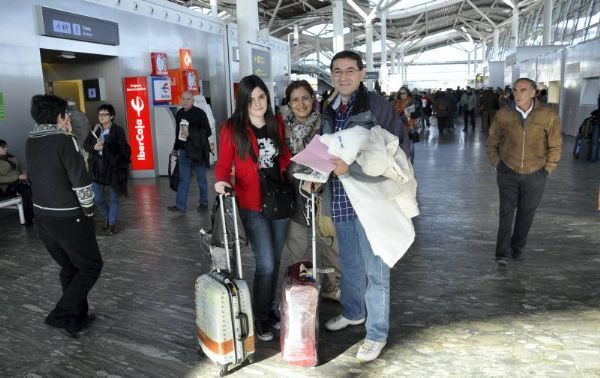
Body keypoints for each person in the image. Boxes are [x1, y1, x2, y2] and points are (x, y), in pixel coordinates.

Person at [317, 50, 404, 362]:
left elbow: (397, 149)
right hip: (341, 198)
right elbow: (327, 150)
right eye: (337, 71)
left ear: (362, 73)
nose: (343, 77)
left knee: (376, 270)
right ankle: (354, 312)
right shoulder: (328, 106)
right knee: (350, 263)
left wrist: (351, 170)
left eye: (349, 70)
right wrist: (315, 172)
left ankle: (377, 333)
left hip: (370, 200)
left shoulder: (376, 105)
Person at [214, 75, 292, 342]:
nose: (258, 103)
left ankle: (269, 311)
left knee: (277, 260)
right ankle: (259, 316)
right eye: (252, 99)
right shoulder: (232, 128)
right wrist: (221, 181)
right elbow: (223, 164)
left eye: (262, 97)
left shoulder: (276, 122)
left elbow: (283, 156)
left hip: (279, 199)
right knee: (266, 263)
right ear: (243, 101)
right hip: (251, 203)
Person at [26, 94, 103, 338]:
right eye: (65, 114)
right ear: (59, 117)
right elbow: (80, 181)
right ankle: (62, 313)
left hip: (42, 216)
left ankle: (75, 319)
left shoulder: (31, 140)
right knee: (91, 266)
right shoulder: (64, 140)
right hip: (69, 217)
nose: (68, 117)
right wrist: (89, 210)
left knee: (70, 266)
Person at [486, 78, 562, 267]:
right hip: (508, 171)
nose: (518, 94)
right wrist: (497, 163)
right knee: (506, 213)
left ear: (534, 92)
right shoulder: (504, 114)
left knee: (526, 214)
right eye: (515, 90)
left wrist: (548, 168)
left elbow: (556, 144)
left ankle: (517, 249)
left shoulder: (548, 115)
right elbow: (492, 141)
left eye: (523, 90)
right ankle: (501, 253)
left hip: (536, 173)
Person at [280, 79, 341, 302]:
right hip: (295, 195)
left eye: (305, 98)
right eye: (295, 99)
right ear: (288, 103)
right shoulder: (282, 128)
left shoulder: (324, 125)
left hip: (323, 194)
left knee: (329, 244)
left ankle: (333, 286)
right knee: (299, 247)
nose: (301, 103)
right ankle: (305, 287)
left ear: (313, 99)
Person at [84, 104, 130, 234]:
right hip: (97, 168)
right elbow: (85, 144)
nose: (102, 117)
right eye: (100, 114)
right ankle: (108, 216)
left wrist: (106, 145)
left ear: (112, 116)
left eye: (105, 114)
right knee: (97, 197)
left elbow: (123, 149)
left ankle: (112, 223)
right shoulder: (95, 128)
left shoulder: (118, 130)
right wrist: (94, 148)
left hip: (112, 168)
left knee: (114, 197)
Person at [167, 91, 212, 212]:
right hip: (184, 151)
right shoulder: (180, 113)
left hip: (197, 152)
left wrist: (191, 133)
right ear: (180, 100)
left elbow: (208, 131)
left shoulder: (200, 113)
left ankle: (203, 203)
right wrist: (175, 148)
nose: (185, 101)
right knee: (183, 179)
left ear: (193, 101)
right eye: (183, 99)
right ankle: (180, 205)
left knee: (201, 178)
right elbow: (178, 133)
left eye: (188, 99)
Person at [0, 139, 34, 224]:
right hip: (7, 186)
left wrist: (24, 174)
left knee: (35, 185)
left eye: (5, 147)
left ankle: (35, 213)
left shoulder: (10, 157)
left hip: (20, 181)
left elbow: (21, 166)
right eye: (3, 147)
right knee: (26, 190)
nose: (6, 149)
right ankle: (29, 218)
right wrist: (17, 177)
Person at [66, 98, 90, 163]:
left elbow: (67, 132)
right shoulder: (83, 114)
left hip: (78, 147)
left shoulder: (67, 116)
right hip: (87, 145)